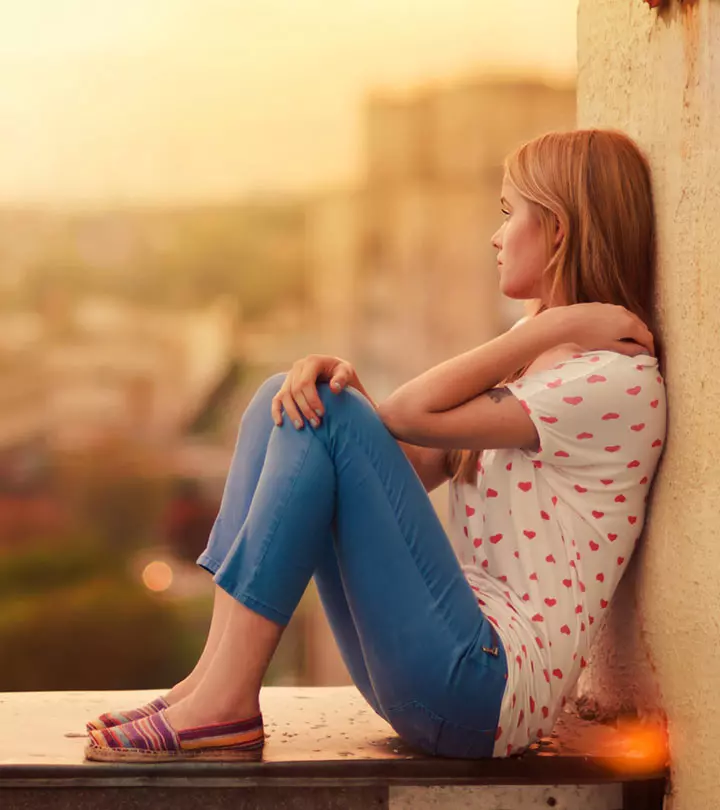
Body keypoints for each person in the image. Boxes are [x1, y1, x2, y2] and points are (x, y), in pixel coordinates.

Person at [84, 128, 667, 762]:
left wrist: (554, 323)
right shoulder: (541, 370)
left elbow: (408, 414)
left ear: (557, 229)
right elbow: (403, 462)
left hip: (483, 690)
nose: (496, 237)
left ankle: (223, 707)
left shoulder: (611, 380)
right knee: (283, 397)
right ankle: (209, 685)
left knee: (321, 407)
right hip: (437, 665)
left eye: (508, 213)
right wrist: (345, 404)